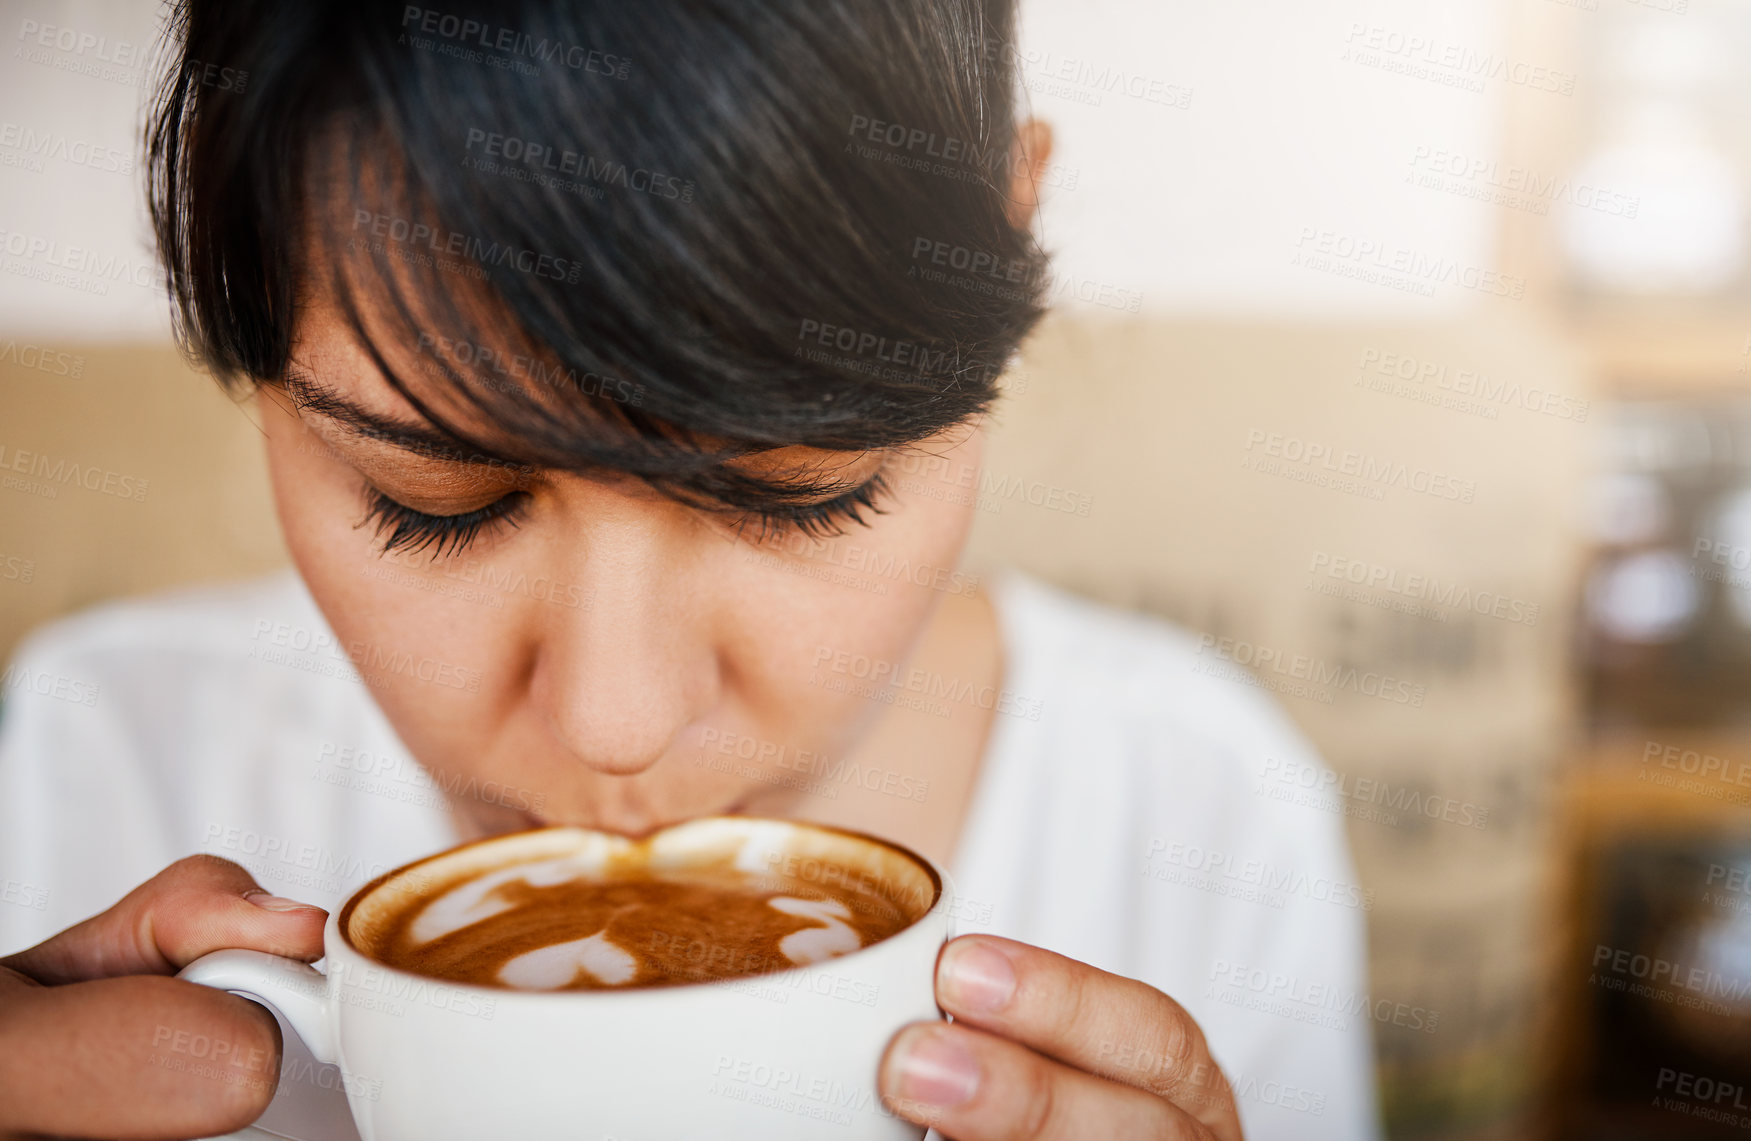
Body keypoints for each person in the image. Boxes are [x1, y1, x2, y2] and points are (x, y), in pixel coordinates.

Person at [0, 1, 1380, 1138]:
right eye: (434, 504)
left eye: (799, 495)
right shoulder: (95, 761)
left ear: (1009, 232)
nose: (618, 720)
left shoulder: (1203, 817)